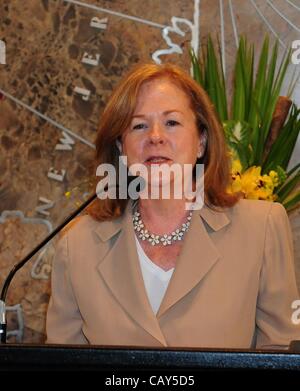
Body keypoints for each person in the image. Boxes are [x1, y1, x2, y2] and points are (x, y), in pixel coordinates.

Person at [46, 62, 300, 349]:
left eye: (172, 123)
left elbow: (283, 355)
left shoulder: (261, 228)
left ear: (201, 141)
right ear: (121, 148)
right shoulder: (77, 244)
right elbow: (62, 363)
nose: (155, 136)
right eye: (139, 125)